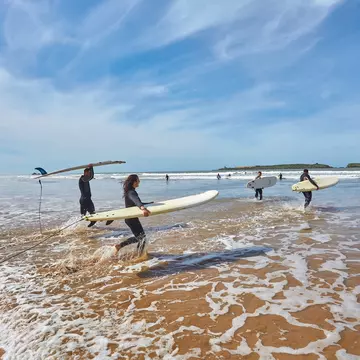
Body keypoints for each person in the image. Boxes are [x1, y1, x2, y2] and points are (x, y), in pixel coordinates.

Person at [115, 174, 151, 256]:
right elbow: (136, 200)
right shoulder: (131, 192)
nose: (139, 182)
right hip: (131, 219)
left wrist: (147, 204)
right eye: (138, 180)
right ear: (134, 182)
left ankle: (120, 246)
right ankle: (138, 255)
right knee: (142, 238)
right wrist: (143, 208)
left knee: (140, 238)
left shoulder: (129, 191)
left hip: (130, 218)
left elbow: (135, 202)